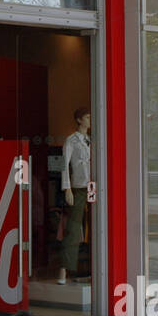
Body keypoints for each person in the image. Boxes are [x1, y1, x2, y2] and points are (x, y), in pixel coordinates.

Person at [58, 106, 93, 285]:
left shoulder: (92, 139)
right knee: (73, 228)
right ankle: (64, 269)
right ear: (79, 119)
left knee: (95, 227)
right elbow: (64, 164)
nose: (89, 120)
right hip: (78, 187)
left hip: (93, 186)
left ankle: (95, 267)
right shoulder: (71, 140)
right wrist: (67, 188)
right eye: (87, 117)